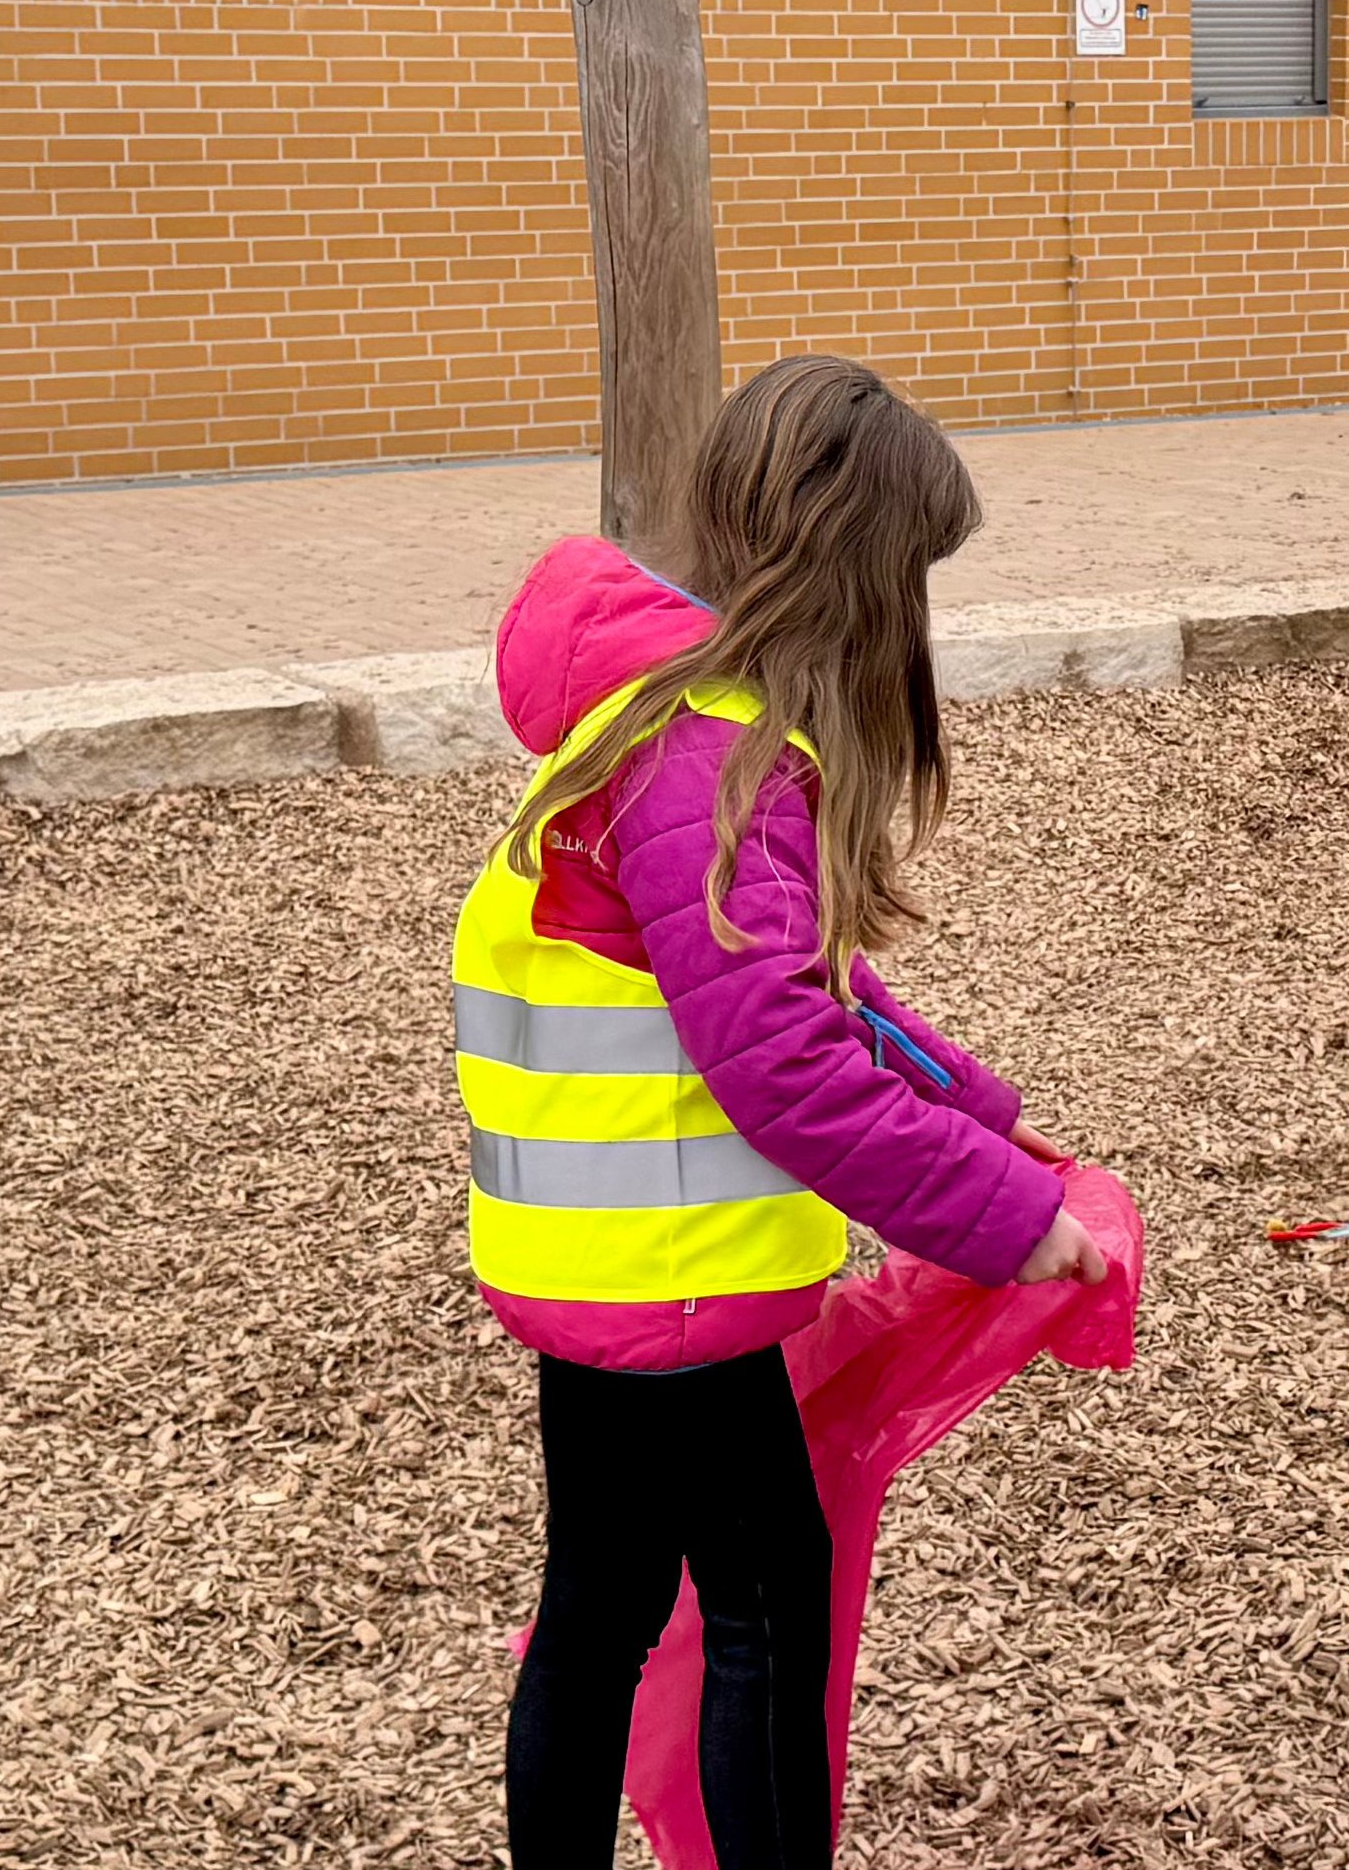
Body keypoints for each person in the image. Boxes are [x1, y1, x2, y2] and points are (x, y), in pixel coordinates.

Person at [454, 355, 1108, 1870]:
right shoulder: (710, 763)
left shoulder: (653, 716)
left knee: (600, 1601)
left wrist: (978, 1118)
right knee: (764, 1600)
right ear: (847, 570)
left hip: (599, 1263)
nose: (916, 620)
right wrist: (1010, 1221)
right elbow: (783, 1064)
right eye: (909, 578)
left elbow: (808, 997)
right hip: (676, 1273)